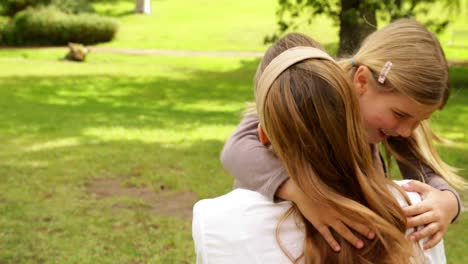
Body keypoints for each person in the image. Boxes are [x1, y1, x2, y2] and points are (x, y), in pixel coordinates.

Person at [193, 33, 445, 263]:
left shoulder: (214, 222)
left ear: (265, 132)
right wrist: (300, 192)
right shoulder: (410, 212)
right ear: (361, 82)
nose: (405, 131)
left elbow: (421, 164)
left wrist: (446, 199)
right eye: (401, 115)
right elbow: (236, 148)